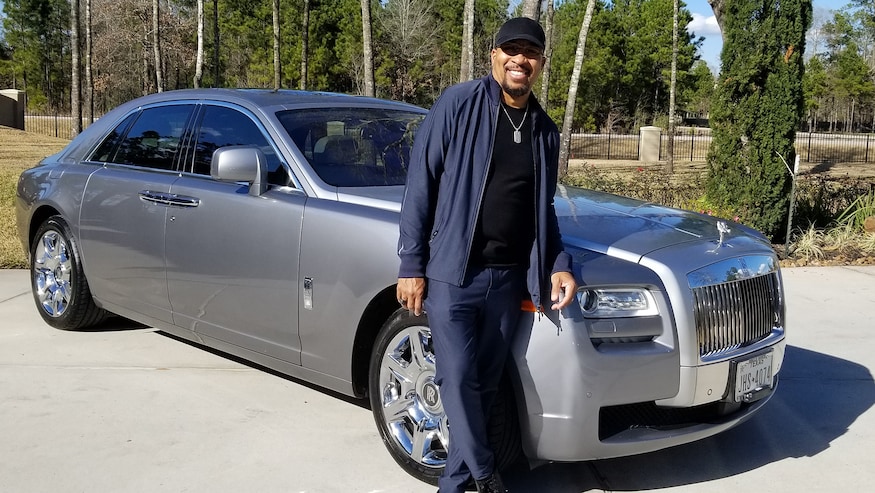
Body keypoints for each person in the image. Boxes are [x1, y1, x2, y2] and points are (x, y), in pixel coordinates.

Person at [396, 17, 578, 493]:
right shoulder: (458, 105)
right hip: (454, 277)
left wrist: (559, 265)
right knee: (456, 383)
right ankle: (486, 476)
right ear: (494, 55)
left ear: (540, 63)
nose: (520, 59)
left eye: (531, 52)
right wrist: (412, 264)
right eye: (511, 49)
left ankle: (454, 488)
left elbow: (544, 210)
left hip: (508, 280)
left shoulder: (544, 129)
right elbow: (421, 186)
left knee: (484, 389)